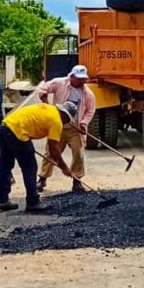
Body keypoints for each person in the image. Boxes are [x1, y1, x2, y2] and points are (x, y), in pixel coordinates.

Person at [0, 102, 77, 213]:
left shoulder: (50, 109)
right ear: (65, 115)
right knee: (30, 167)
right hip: (18, 132)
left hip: (5, 126)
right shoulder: (57, 121)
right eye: (67, 120)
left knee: (5, 165)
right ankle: (32, 202)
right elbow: (53, 148)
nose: (66, 123)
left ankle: (2, 200)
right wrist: (64, 167)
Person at [35, 65, 96, 193]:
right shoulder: (60, 83)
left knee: (78, 153)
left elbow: (90, 111)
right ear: (72, 76)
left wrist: (84, 123)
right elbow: (43, 87)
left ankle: (77, 180)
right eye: (79, 79)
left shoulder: (88, 94)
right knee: (51, 152)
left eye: (83, 79)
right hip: (58, 125)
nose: (82, 81)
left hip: (75, 128)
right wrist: (44, 97)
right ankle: (42, 178)